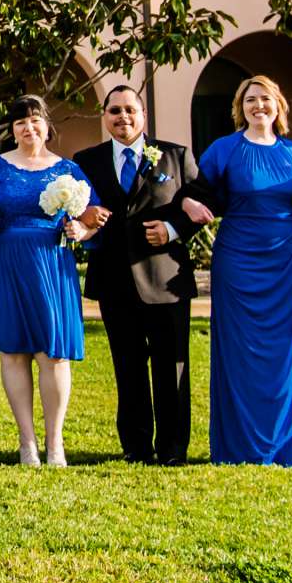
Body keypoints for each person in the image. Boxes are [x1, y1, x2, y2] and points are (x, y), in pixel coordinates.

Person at [178, 74, 292, 467]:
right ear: (240, 107)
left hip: (288, 260)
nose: (259, 106)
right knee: (242, 352)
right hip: (239, 260)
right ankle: (241, 445)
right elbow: (195, 190)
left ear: (279, 106)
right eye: (251, 100)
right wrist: (189, 204)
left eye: (266, 99)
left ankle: (289, 446)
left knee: (289, 351)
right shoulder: (224, 149)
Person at [71, 85, 200, 464]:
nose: (122, 117)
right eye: (115, 111)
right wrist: (81, 219)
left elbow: (202, 201)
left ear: (143, 115)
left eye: (130, 110)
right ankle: (136, 445)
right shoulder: (86, 160)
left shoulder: (175, 156)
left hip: (165, 277)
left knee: (171, 364)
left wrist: (173, 228)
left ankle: (174, 447)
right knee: (127, 366)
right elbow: (75, 206)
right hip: (114, 279)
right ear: (105, 116)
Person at [0, 95, 95, 467]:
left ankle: (55, 442)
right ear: (12, 130)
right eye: (21, 122)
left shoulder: (68, 170)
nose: (29, 128)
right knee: (14, 351)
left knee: (52, 352)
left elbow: (91, 217)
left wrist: (81, 231)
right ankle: (27, 443)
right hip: (5, 260)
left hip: (50, 262)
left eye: (36, 120)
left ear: (47, 125)